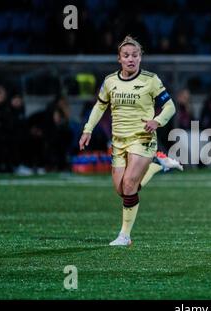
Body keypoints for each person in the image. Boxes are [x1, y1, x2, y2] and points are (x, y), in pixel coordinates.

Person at [79, 36, 183, 246]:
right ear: (119, 59)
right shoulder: (110, 82)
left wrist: (157, 121)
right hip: (118, 141)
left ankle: (124, 236)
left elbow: (170, 106)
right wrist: (87, 129)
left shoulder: (150, 80)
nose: (131, 59)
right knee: (122, 190)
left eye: (135, 55)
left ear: (140, 58)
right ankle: (155, 166)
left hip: (142, 138)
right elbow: (100, 106)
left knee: (129, 183)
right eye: (126, 56)